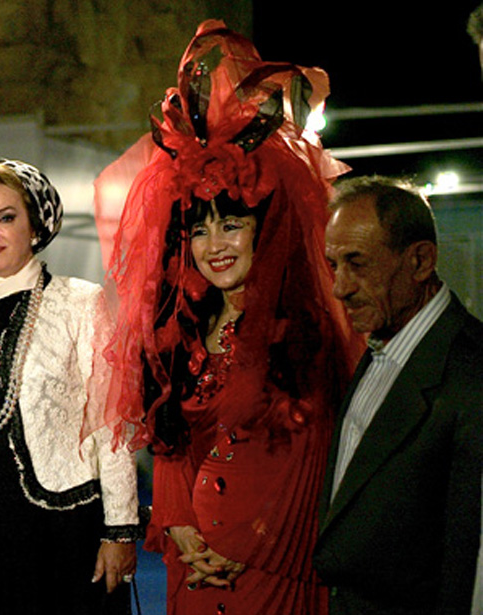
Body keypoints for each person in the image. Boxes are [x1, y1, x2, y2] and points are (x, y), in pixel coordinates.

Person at [93, 20, 362, 615]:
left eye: (232, 224)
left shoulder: (307, 329)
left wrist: (247, 545)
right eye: (199, 229)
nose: (214, 244)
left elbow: (314, 456)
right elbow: (170, 443)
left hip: (274, 569)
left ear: (265, 231)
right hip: (193, 568)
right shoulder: (182, 329)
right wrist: (179, 527)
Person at [0, 158, 140, 615]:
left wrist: (120, 529)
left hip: (61, 525)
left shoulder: (82, 301)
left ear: (35, 225)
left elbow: (109, 426)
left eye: (6, 218)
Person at [313, 176, 483, 614]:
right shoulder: (382, 342)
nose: (340, 287)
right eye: (334, 264)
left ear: (421, 261)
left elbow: (469, 563)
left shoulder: (471, 375)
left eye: (357, 263)